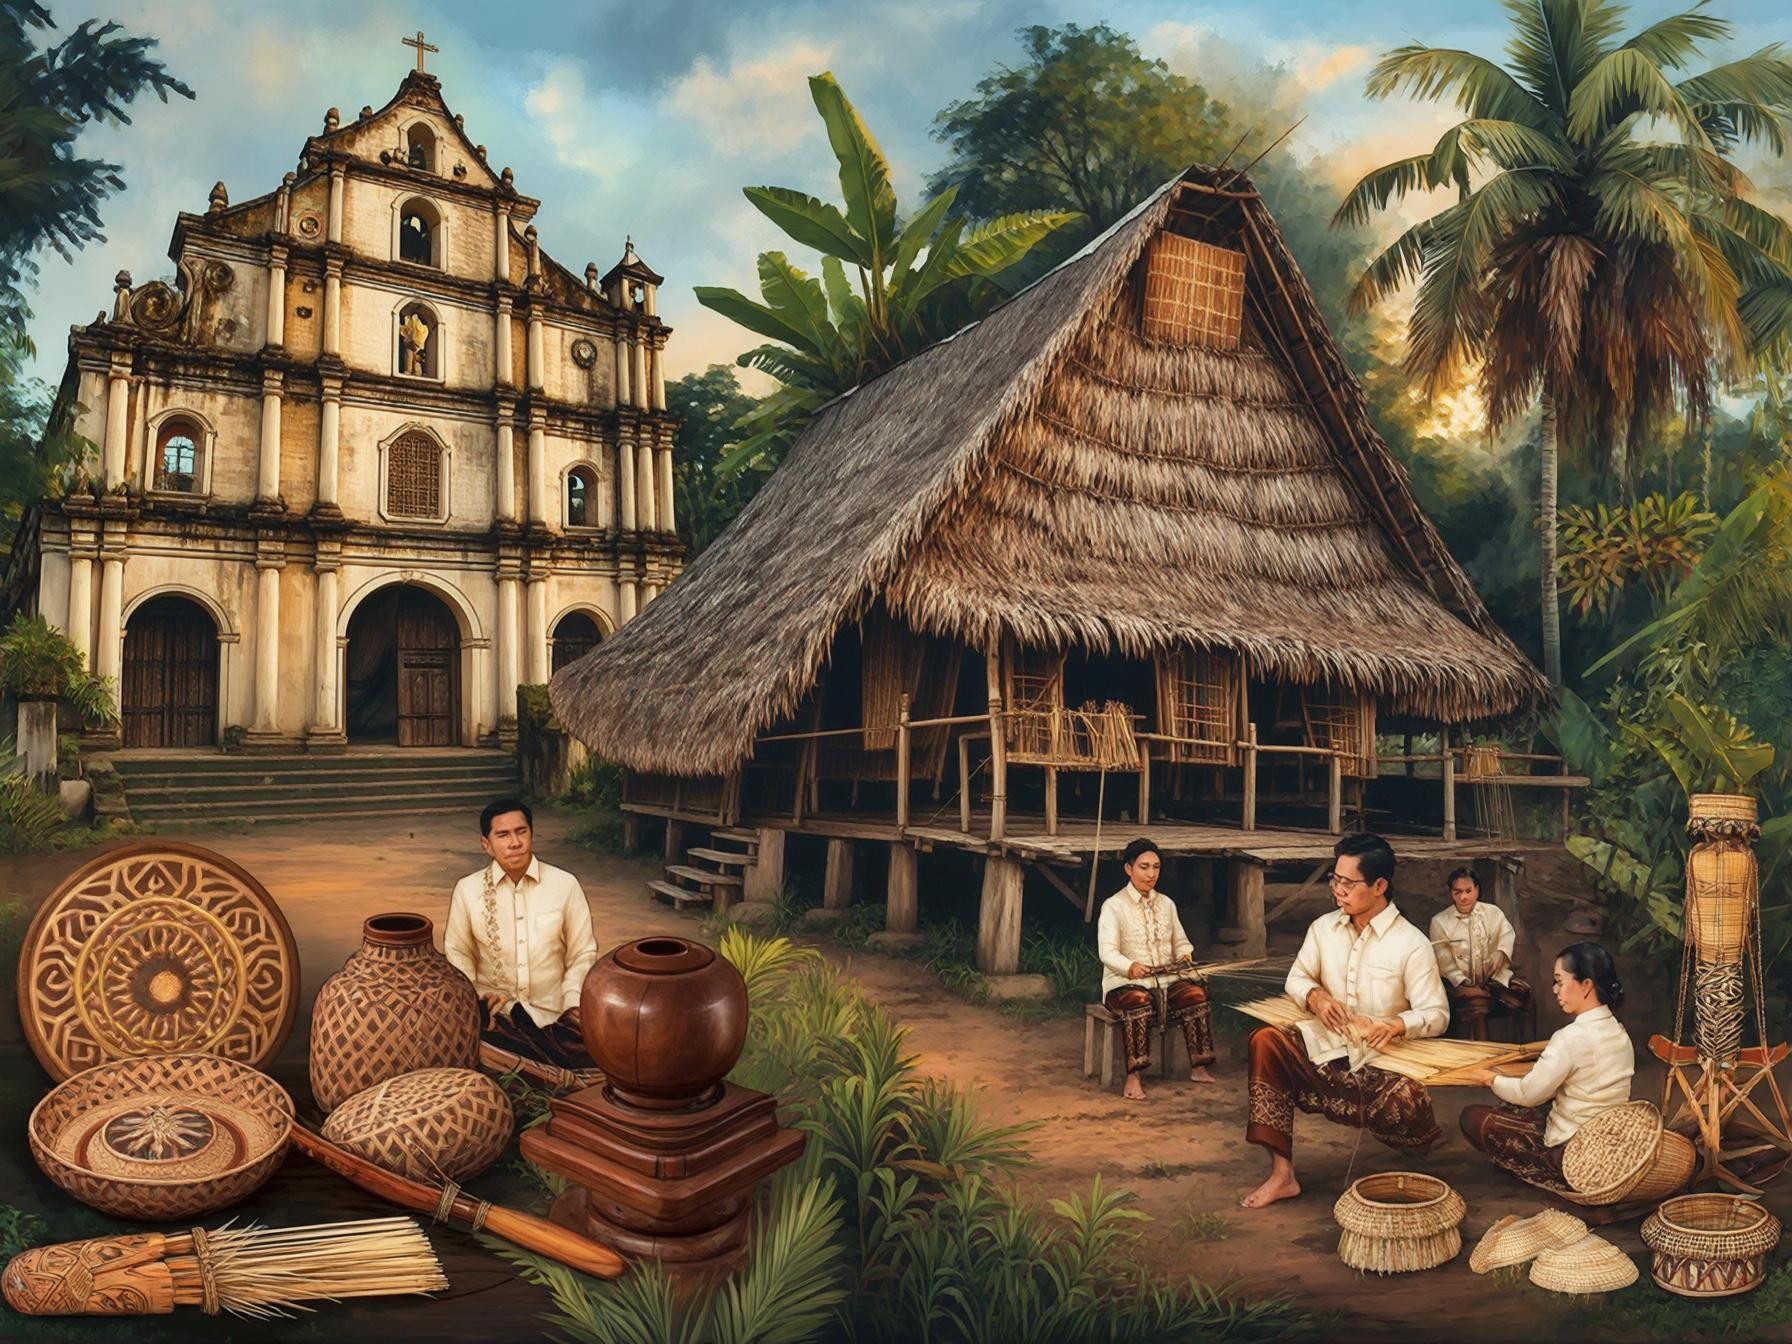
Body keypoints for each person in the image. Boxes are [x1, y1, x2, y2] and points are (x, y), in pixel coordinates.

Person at [1242, 832, 1449, 1209]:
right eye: (1334, 879)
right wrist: (1317, 998)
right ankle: (1282, 1173)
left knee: (1406, 1103)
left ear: (1379, 885)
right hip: (1324, 1051)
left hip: (1380, 1064)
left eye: (1347, 882)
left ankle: (1417, 1143)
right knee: (1265, 1041)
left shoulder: (1410, 943)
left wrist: (1397, 1025)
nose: (1337, 889)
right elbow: (1297, 978)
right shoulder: (1323, 929)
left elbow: (1437, 1013)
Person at [1455, 941, 1634, 1191]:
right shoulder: (1619, 1032)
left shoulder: (1570, 1038)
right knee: (1517, 1107)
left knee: (1474, 1117)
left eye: (1560, 981)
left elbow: (1529, 1094)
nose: (1554, 989)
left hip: (1574, 1150)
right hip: (1610, 1141)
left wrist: (1489, 1078)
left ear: (1586, 985)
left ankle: (1548, 1171)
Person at [445, 798, 599, 1070]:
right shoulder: (467, 891)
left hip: (558, 1024)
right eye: (503, 835)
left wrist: (572, 1010)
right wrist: (477, 998)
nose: (515, 842)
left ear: (531, 835)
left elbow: (582, 954)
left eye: (521, 832)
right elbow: (458, 954)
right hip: (499, 1024)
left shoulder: (565, 885)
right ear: (486, 845)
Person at [1096, 838, 1216, 1099]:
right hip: (1123, 984)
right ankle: (1133, 1077)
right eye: (1143, 867)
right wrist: (1130, 967)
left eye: (1156, 867)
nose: (1151, 874)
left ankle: (1199, 1065)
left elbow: (1181, 942)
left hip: (1166, 982)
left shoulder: (1167, 904)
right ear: (1129, 869)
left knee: (1195, 995)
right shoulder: (1113, 906)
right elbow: (1107, 952)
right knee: (1138, 1001)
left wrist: (1184, 957)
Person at [1429, 868, 1532, 1040]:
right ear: (1451, 893)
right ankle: (1482, 1051)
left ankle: (1518, 1046)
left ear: (1477, 890)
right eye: (1457, 892)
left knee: (1521, 993)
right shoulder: (1440, 922)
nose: (1463, 897)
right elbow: (1443, 960)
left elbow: (1506, 937)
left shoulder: (1493, 913)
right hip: (1458, 986)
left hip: (1495, 980)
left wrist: (1499, 956)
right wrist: (1464, 983)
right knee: (1477, 1004)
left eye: (1468, 891)